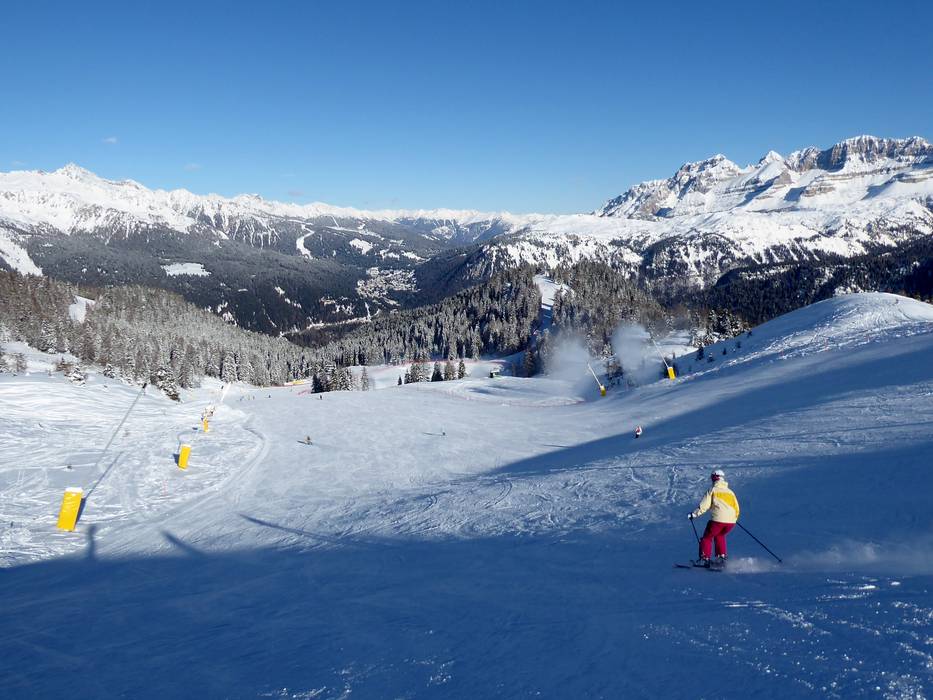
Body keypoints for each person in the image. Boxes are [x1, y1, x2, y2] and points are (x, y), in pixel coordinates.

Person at [688, 469, 740, 566]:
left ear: (715, 478)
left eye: (712, 477)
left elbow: (705, 505)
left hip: (718, 520)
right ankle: (721, 557)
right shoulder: (730, 492)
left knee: (707, 538)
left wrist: (694, 514)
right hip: (731, 522)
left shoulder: (712, 490)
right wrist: (733, 518)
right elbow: (736, 507)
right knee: (720, 535)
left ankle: (704, 558)